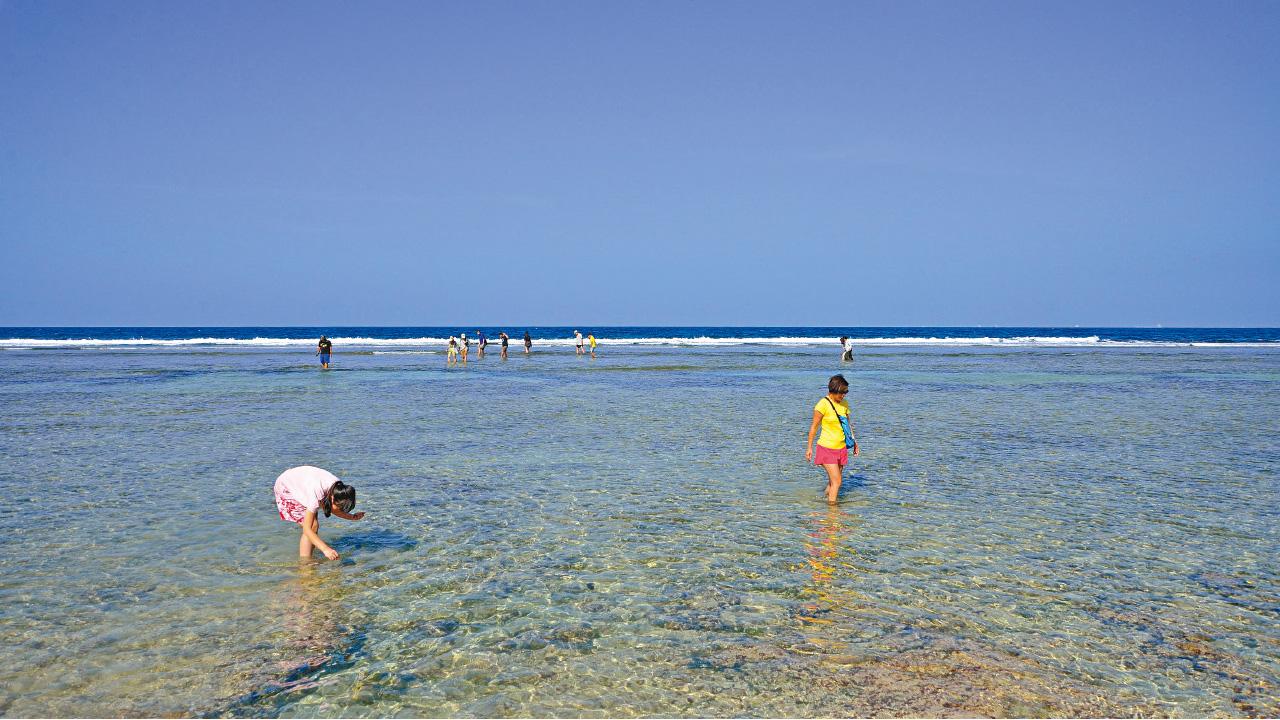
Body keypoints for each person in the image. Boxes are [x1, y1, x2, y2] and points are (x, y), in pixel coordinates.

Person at [273, 465, 365, 560]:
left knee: (314, 526)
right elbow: (306, 529)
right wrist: (325, 549)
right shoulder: (317, 495)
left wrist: (352, 517)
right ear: (332, 499)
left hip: (302, 484)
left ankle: (310, 557)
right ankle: (305, 566)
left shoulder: (339, 489)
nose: (340, 510)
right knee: (311, 527)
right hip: (286, 487)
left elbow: (334, 509)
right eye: (340, 507)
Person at [805, 374, 859, 503]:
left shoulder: (844, 403)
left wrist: (855, 441)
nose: (844, 395)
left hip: (841, 448)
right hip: (826, 448)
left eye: (846, 392)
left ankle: (824, 503)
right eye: (842, 392)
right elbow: (813, 427)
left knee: (833, 482)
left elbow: (847, 424)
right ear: (834, 390)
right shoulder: (822, 404)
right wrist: (809, 448)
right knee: (837, 481)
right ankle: (832, 514)